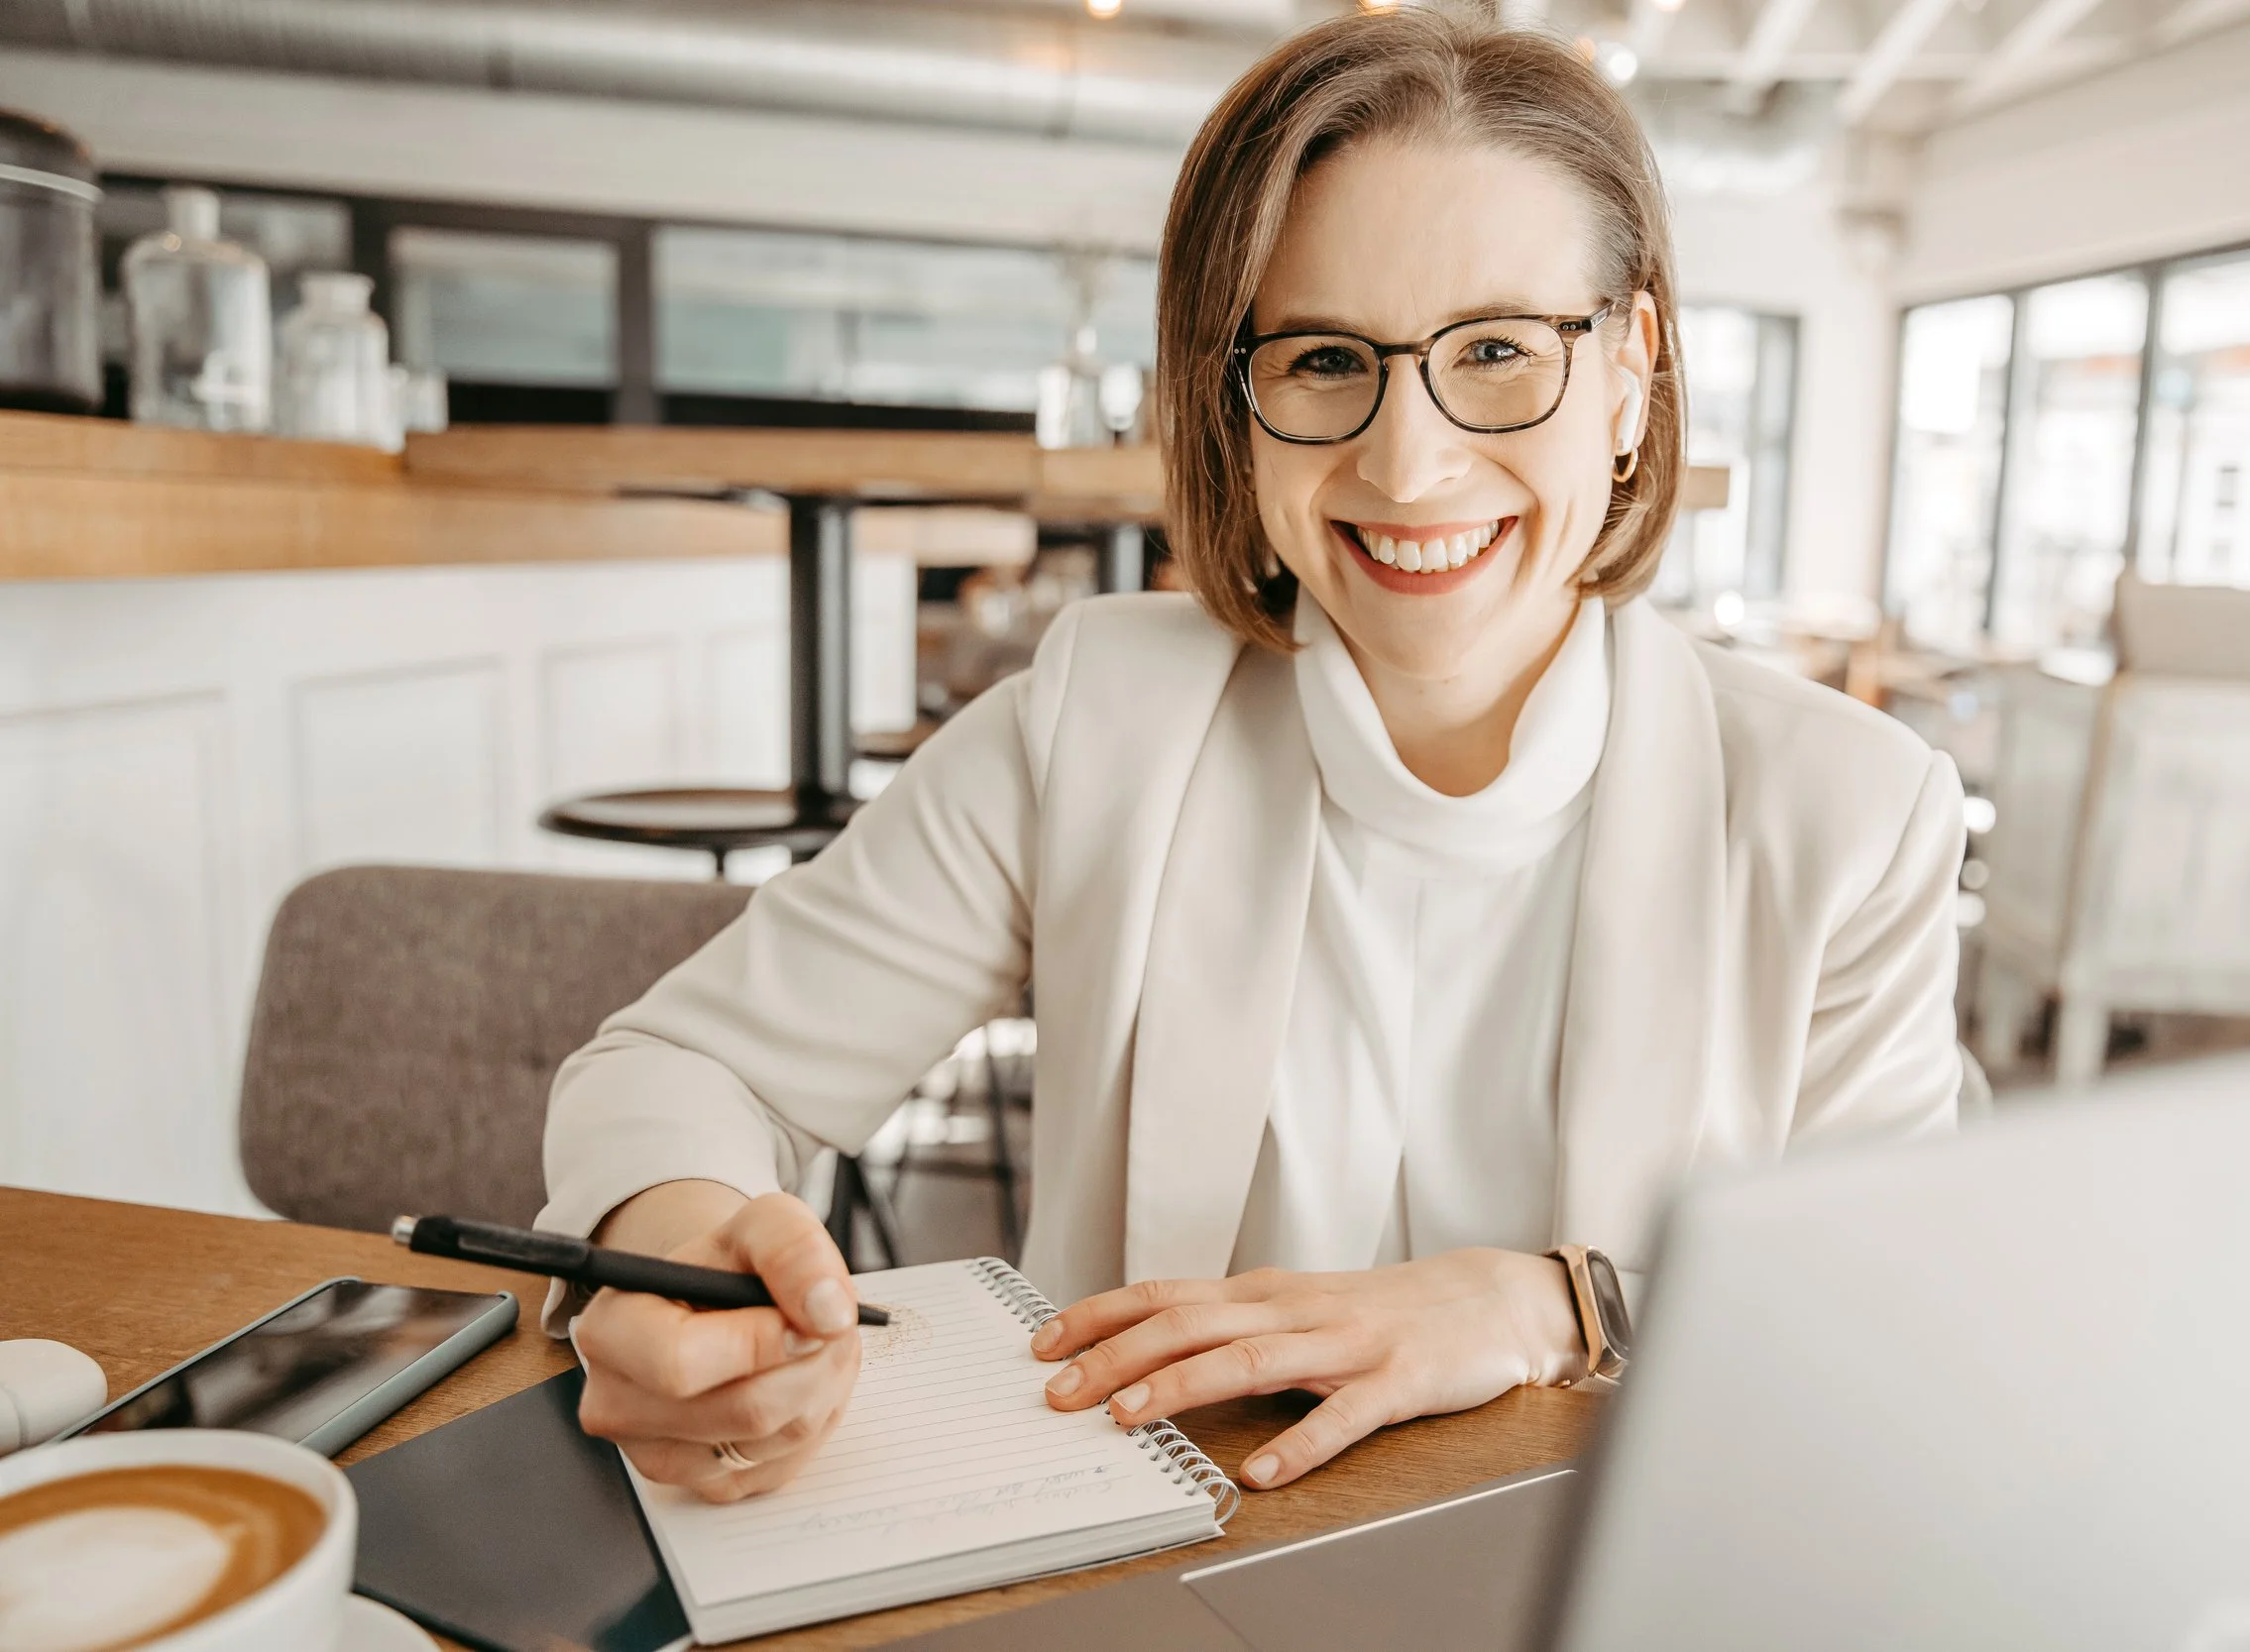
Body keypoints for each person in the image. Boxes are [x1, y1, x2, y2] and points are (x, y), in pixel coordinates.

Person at [539, 9, 1964, 1506]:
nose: (1408, 464)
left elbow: (1894, 1311)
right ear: (1237, 400)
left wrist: (1557, 1303)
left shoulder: (1848, 811)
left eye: (1496, 351)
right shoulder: (1098, 718)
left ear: (1631, 374)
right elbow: (682, 1059)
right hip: (1139, 1574)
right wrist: (679, 1239)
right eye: (1324, 358)